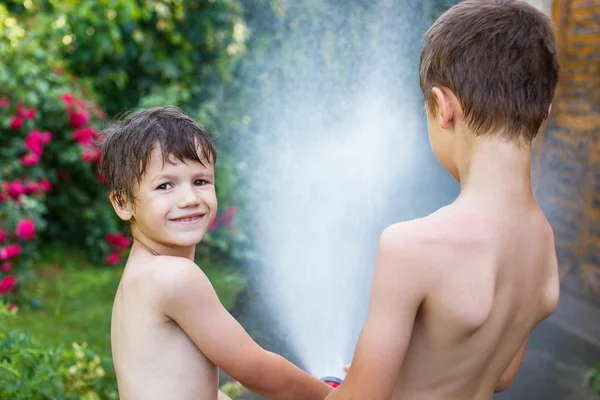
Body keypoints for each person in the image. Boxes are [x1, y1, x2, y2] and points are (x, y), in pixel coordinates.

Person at [326, 1, 560, 399]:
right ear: (545, 111)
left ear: (444, 106)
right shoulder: (542, 242)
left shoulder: (411, 246)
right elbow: (497, 374)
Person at [99, 106, 333, 400]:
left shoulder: (142, 273)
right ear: (123, 203)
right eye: (165, 185)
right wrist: (332, 396)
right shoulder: (175, 277)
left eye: (200, 181)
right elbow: (254, 368)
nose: (189, 199)